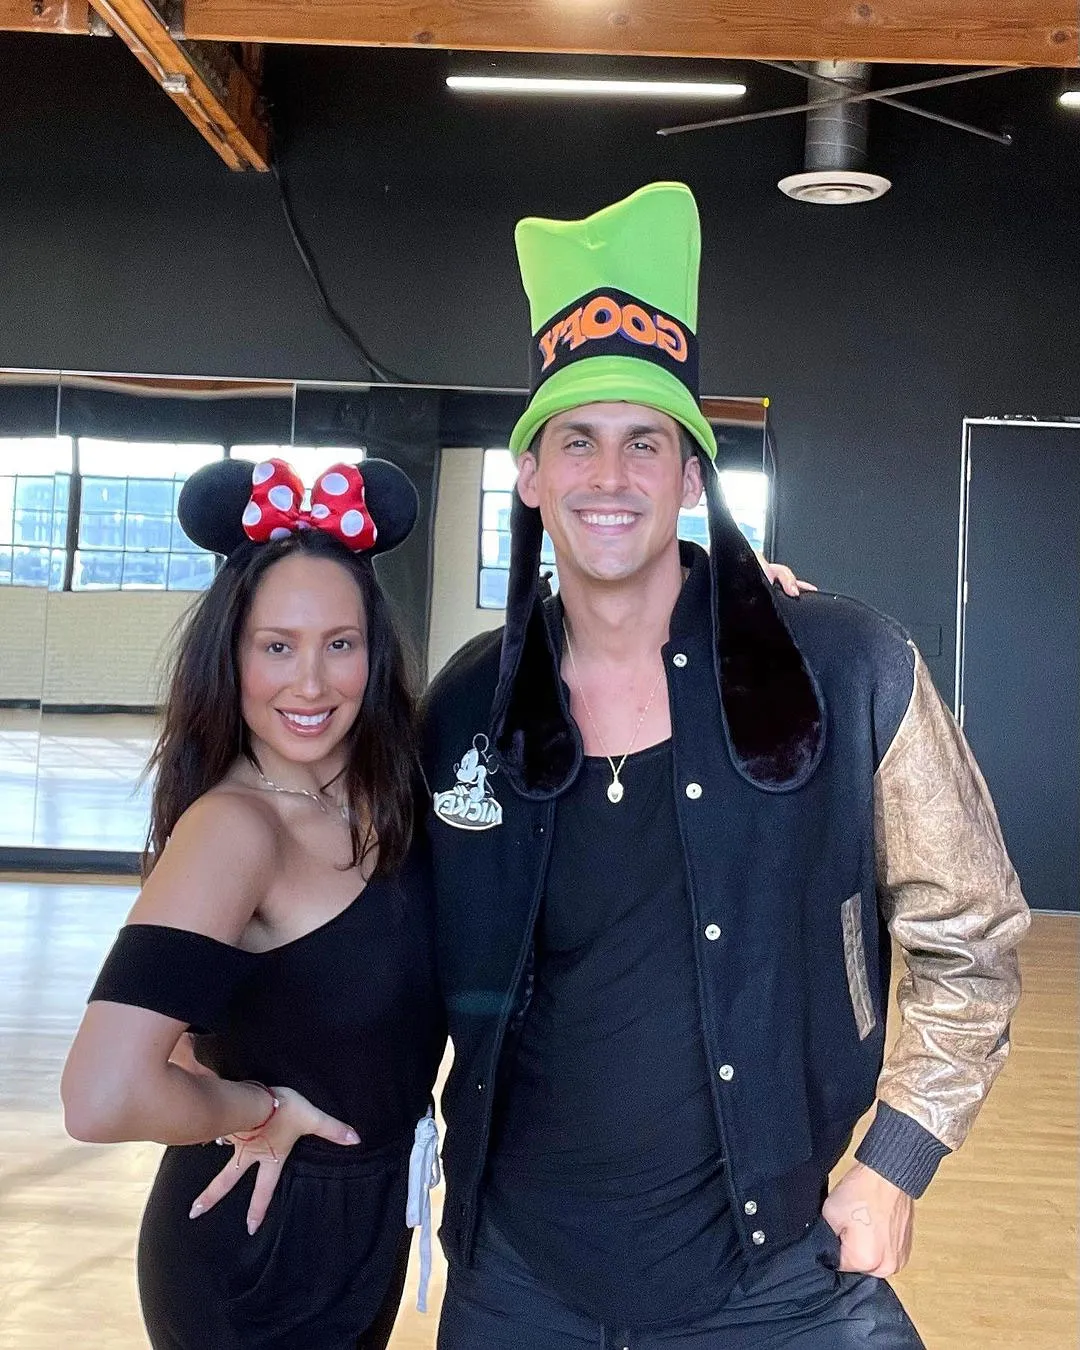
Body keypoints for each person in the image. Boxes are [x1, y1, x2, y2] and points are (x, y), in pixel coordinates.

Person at [421, 183, 1030, 1349]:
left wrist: (896, 1162)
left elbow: (975, 934)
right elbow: (385, 943)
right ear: (531, 474)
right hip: (518, 1279)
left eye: (646, 442)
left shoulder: (842, 668)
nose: (611, 477)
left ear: (692, 476)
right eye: (578, 440)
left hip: (777, 1275)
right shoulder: (466, 708)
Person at [60, 455, 446, 1350]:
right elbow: (103, 1094)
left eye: (339, 644)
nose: (310, 684)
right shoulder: (235, 829)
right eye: (277, 646)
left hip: (364, 1231)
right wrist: (257, 1110)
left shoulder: (391, 794)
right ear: (230, 657)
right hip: (254, 1247)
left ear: (375, 652)